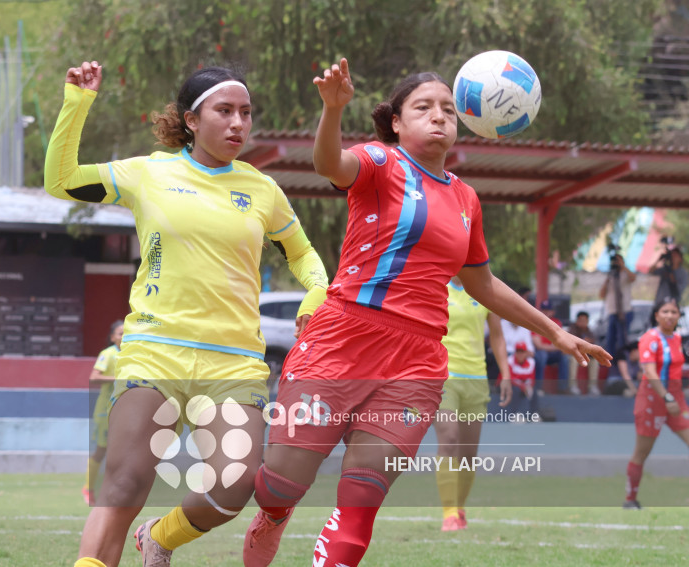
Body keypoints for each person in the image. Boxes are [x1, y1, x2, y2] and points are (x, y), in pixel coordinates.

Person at [242, 58, 611, 567]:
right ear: (397, 121)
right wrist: (332, 111)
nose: (439, 117)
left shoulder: (465, 197)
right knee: (280, 484)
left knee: (362, 499)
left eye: (447, 110)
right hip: (343, 337)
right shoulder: (379, 162)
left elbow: (480, 281)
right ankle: (274, 516)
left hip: (415, 362)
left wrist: (555, 331)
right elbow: (330, 166)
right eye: (423, 107)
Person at [44, 60, 329, 567]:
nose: (238, 123)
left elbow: (304, 256)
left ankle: (163, 536)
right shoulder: (148, 172)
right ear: (192, 120)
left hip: (233, 364)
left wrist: (315, 294)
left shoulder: (262, 189)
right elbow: (62, 181)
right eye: (224, 111)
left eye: (245, 112)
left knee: (236, 485)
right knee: (125, 483)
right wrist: (77, 104)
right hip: (155, 353)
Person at [434, 277, 512, 531]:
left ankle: (459, 508)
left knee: (468, 455)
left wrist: (506, 373)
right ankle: (448, 515)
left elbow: (497, 337)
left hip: (477, 380)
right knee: (449, 439)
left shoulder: (484, 289)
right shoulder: (437, 286)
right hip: (444, 378)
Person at [623, 296, 689, 509]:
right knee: (642, 452)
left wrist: (674, 396)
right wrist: (666, 396)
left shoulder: (677, 339)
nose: (670, 316)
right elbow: (649, 371)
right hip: (653, 399)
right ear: (656, 315)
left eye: (674, 312)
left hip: (675, 399)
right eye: (665, 311)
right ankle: (630, 500)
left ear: (679, 315)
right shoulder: (650, 338)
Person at [82, 319, 124, 507]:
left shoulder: (134, 356)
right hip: (104, 411)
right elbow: (94, 377)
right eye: (120, 333)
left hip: (124, 411)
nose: (124, 337)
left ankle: (113, 490)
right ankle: (88, 488)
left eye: (127, 333)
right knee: (101, 450)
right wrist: (116, 378)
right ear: (112, 337)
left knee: (123, 451)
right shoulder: (108, 354)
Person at [600, 252, 636, 363]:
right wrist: (607, 279)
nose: (616, 263)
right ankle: (611, 362)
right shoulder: (611, 276)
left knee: (623, 339)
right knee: (610, 340)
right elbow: (601, 294)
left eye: (618, 261)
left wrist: (623, 266)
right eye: (615, 261)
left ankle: (623, 362)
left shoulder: (625, 274)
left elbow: (633, 278)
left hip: (625, 311)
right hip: (612, 312)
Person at [532, 300, 570, 394]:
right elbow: (539, 345)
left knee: (565, 357)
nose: (546, 312)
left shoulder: (557, 322)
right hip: (539, 353)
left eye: (548, 310)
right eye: (543, 310)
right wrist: (554, 347)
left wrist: (555, 347)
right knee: (542, 355)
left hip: (553, 353)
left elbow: (560, 342)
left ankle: (562, 388)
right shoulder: (535, 322)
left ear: (552, 311)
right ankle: (538, 388)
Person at [566, 311, 600, 395]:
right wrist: (582, 342)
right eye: (580, 320)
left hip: (585, 355)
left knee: (594, 361)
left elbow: (593, 344)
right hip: (573, 355)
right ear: (577, 320)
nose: (582, 323)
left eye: (585, 321)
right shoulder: (572, 329)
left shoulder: (590, 332)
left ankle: (592, 386)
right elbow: (571, 343)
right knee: (573, 360)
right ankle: (572, 386)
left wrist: (588, 343)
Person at [649, 241, 688, 307]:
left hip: (673, 305)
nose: (673, 257)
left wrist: (670, 272)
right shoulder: (665, 269)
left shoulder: (684, 273)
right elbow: (651, 271)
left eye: (675, 255)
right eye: (671, 255)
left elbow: (678, 289)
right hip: (659, 303)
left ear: (680, 259)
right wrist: (659, 259)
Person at [506, 342, 536, 418]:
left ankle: (534, 414)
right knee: (515, 389)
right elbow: (510, 378)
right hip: (509, 385)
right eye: (518, 352)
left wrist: (528, 386)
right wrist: (522, 386)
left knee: (534, 390)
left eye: (522, 352)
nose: (520, 354)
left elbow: (531, 378)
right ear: (515, 353)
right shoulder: (509, 360)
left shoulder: (531, 362)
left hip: (524, 385)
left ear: (526, 353)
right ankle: (516, 414)